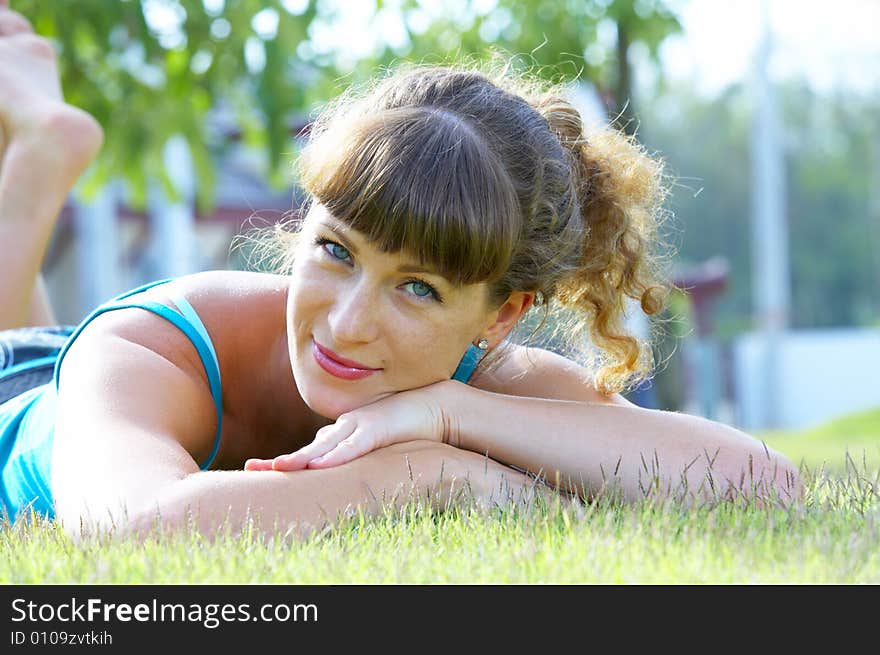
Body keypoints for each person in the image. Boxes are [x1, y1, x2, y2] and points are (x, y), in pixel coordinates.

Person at [0, 1, 801, 540]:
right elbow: (132, 533)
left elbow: (760, 484)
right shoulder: (152, 346)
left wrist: (455, 413)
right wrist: (428, 471)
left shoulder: (483, 376)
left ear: (500, 315)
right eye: (336, 250)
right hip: (36, 394)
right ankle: (35, 168)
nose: (348, 322)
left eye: (419, 287)